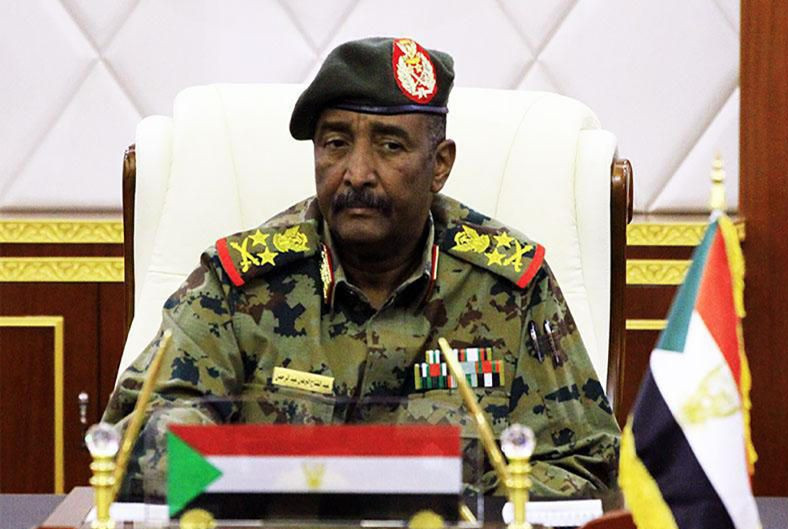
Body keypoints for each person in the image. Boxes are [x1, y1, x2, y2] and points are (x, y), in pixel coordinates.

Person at [103, 37, 620, 501]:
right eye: (335, 143)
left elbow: (591, 464)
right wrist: (261, 474)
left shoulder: (510, 287)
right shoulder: (242, 284)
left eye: (390, 145)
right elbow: (131, 442)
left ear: (440, 164)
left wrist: (436, 490)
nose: (357, 173)